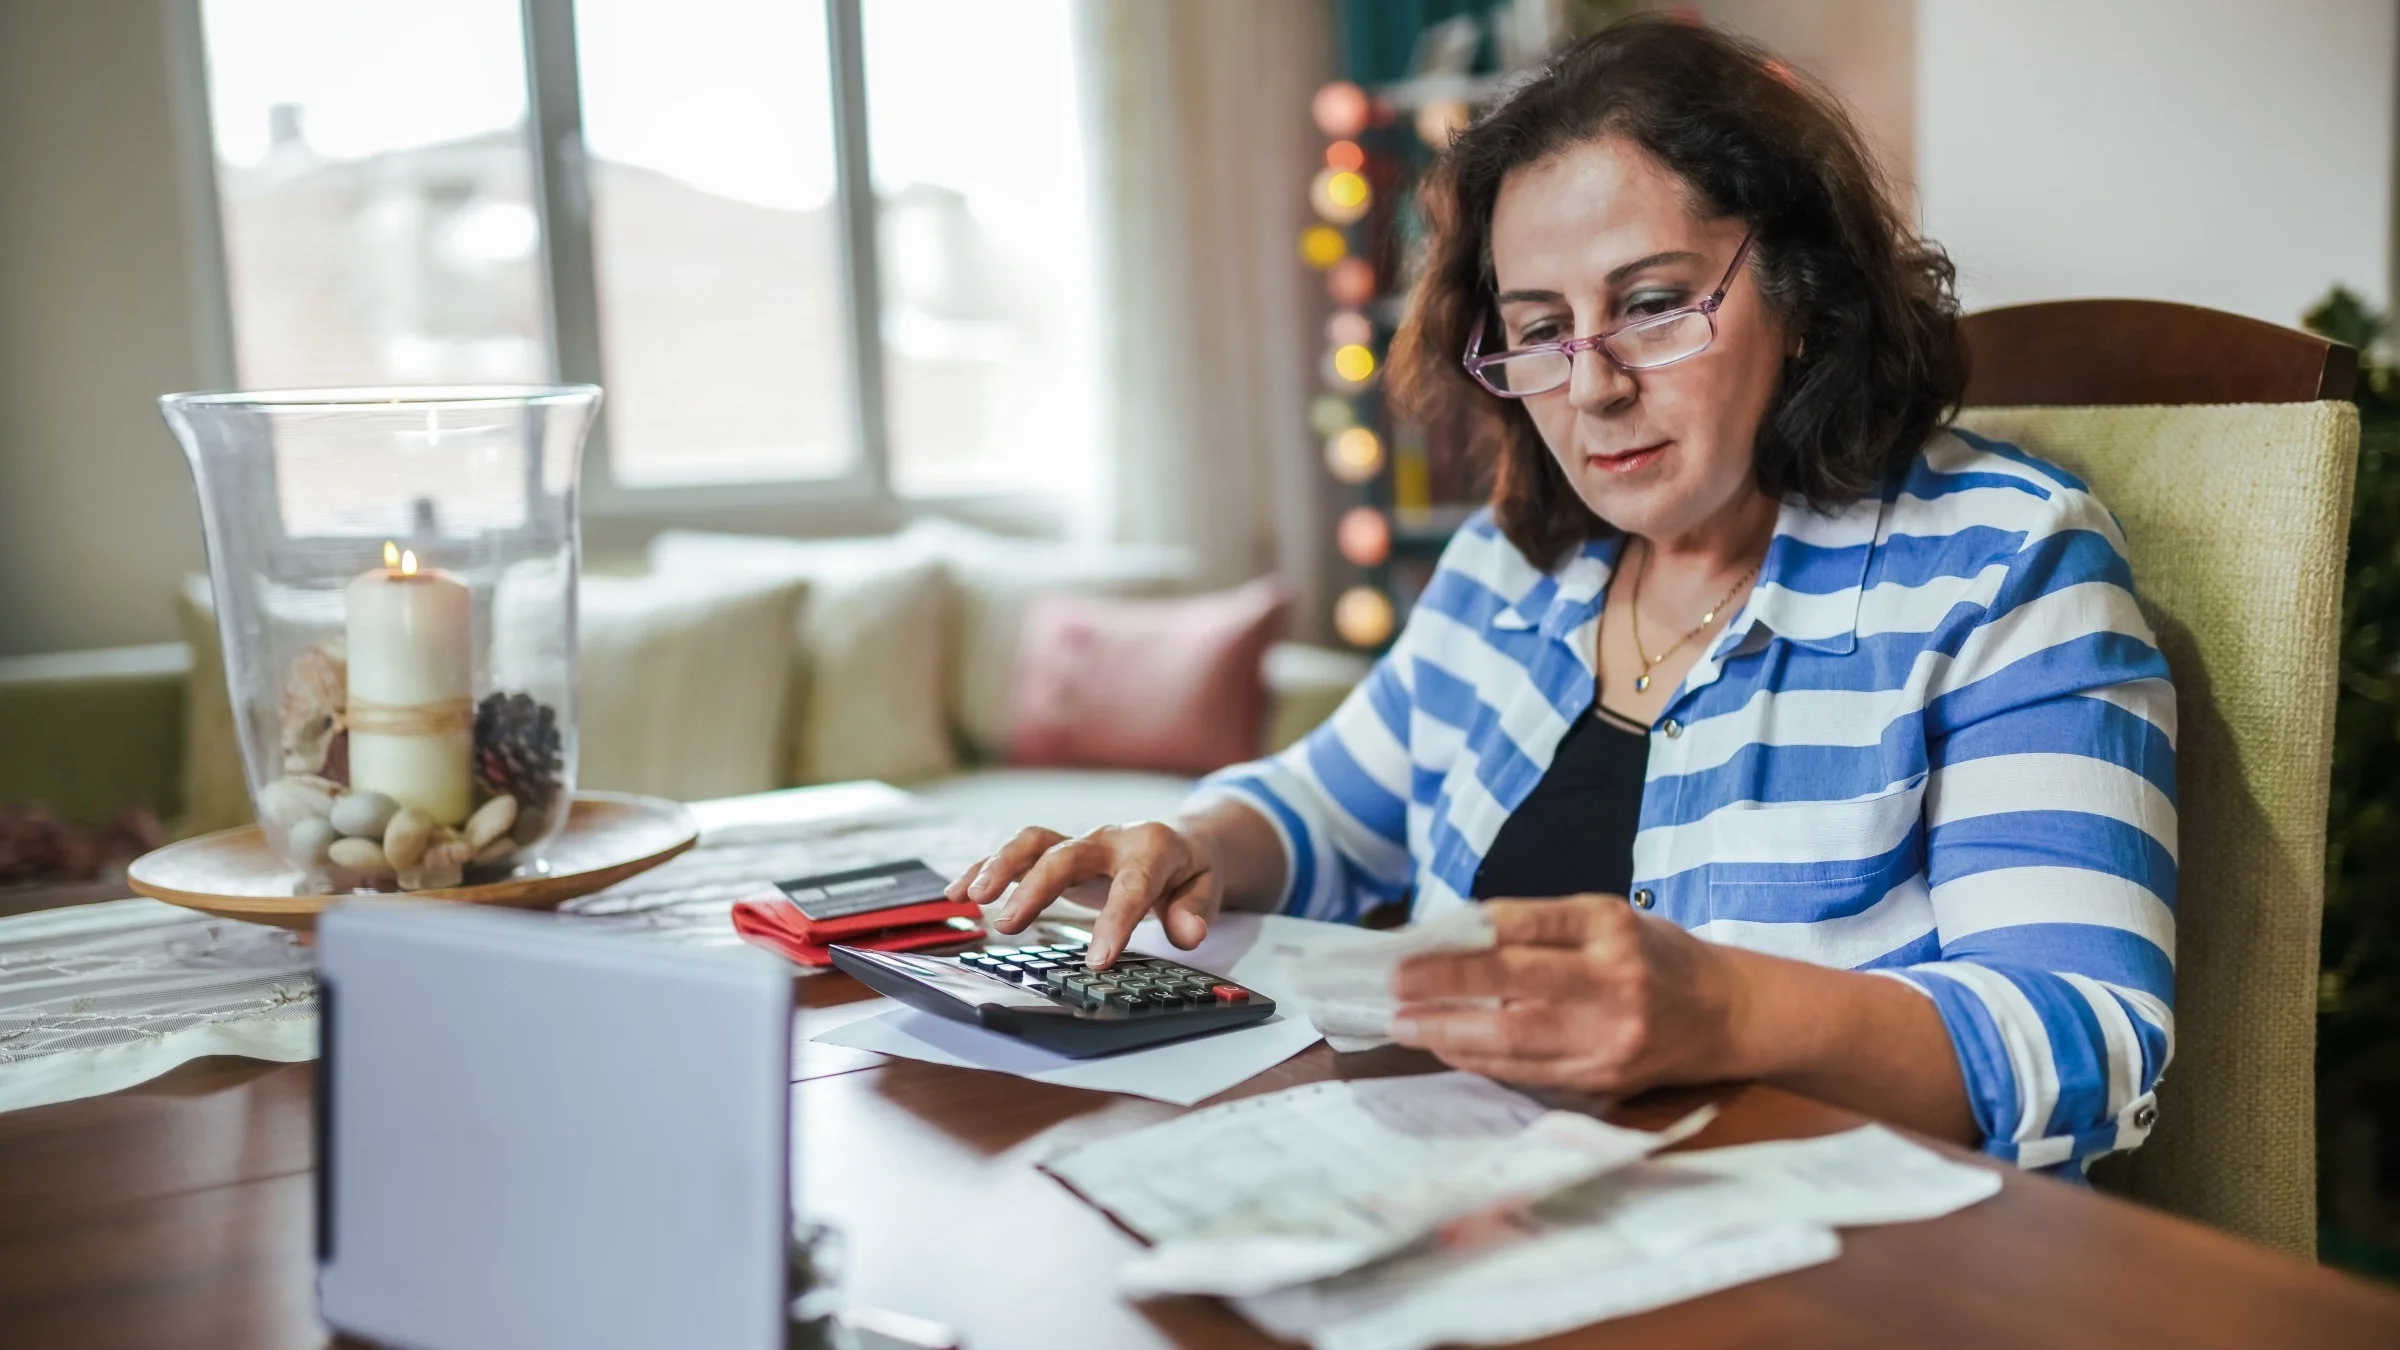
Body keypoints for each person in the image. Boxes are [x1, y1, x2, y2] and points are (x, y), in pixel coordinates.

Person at [946, 17, 2174, 1174]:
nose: (1591, 388)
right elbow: (1334, 803)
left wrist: (1728, 1008)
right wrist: (1193, 843)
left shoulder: (2005, 567)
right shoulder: (1517, 559)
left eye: (1650, 306)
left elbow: (2087, 1034)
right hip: (1486, 1199)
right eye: (1541, 327)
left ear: (1800, 293)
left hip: (1834, 1265)